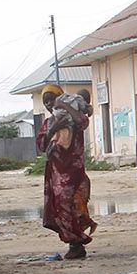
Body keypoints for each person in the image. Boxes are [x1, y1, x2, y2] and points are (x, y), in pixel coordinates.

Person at [40, 85, 97, 259]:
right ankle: (75, 243)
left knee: (73, 205)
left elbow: (83, 122)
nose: (50, 103)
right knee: (60, 207)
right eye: (46, 101)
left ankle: (77, 244)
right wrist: (54, 127)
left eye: (52, 99)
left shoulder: (74, 118)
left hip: (74, 171)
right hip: (56, 173)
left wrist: (66, 107)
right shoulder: (48, 123)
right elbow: (42, 145)